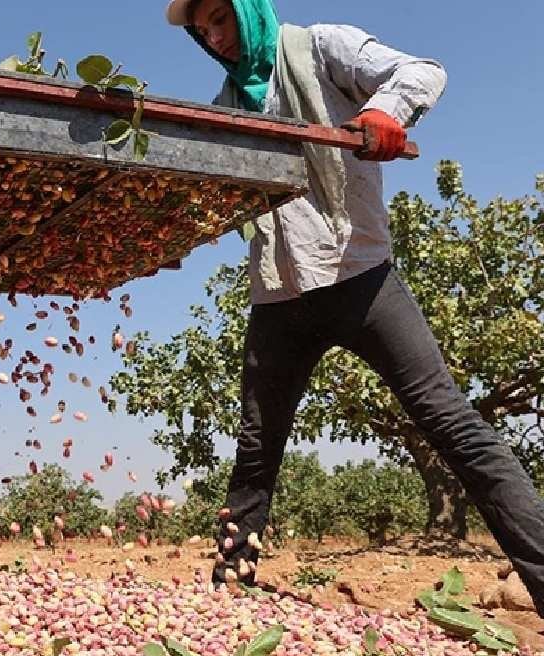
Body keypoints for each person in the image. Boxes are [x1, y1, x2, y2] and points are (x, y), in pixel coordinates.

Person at [165, 0, 544, 617]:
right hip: (278, 297)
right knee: (256, 450)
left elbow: (422, 71)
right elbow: (210, 191)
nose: (215, 37)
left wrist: (385, 111)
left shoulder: (320, 47)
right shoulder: (227, 108)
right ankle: (232, 590)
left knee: (452, 424)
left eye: (220, 18)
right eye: (203, 30)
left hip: (360, 279)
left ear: (248, 9)